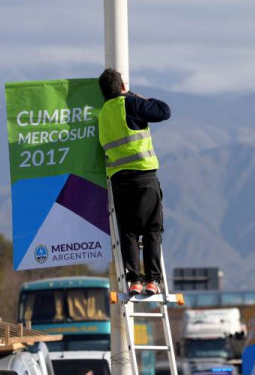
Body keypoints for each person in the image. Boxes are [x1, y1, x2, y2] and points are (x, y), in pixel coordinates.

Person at [97, 68, 171, 296]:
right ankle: (153, 280)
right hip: (143, 175)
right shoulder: (129, 104)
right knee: (152, 229)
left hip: (119, 180)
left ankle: (134, 281)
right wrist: (137, 97)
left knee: (128, 231)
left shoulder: (103, 115)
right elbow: (164, 111)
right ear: (122, 87)